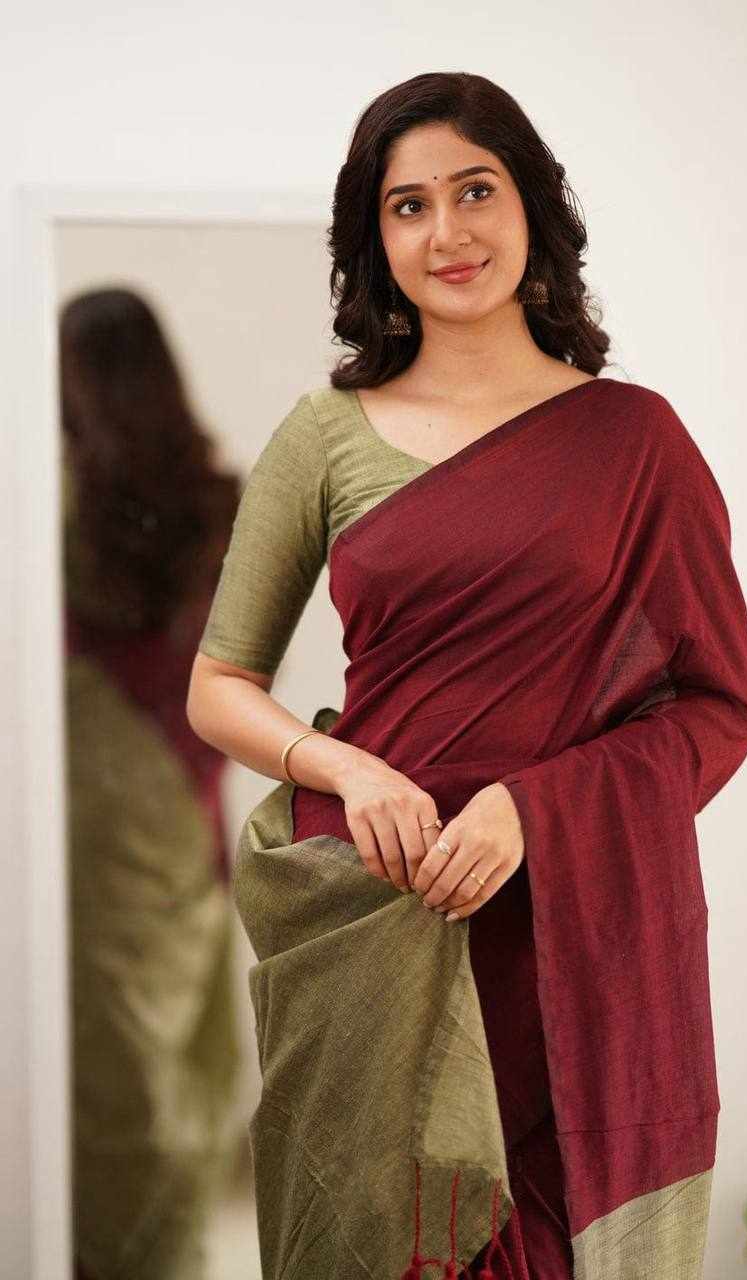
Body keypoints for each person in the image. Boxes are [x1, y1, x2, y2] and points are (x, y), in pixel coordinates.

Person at [187, 72, 747, 1280]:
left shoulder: (634, 443)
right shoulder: (325, 431)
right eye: (408, 205)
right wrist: (349, 769)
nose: (446, 232)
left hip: (567, 937)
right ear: (375, 238)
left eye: (475, 191)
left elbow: (714, 707)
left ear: (532, 205)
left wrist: (534, 809)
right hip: (373, 913)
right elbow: (219, 682)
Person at [61, 287, 243, 1279]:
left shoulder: (58, 513)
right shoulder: (221, 502)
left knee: (113, 1070)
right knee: (184, 1067)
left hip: (97, 821)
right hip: (190, 808)